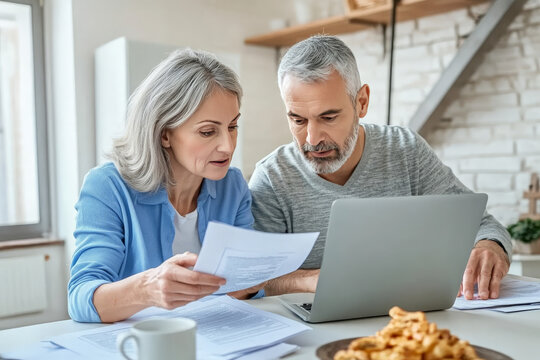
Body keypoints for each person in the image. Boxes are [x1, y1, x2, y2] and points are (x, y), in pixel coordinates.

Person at [249, 35, 511, 301]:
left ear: (361, 102)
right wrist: (312, 279)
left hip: (409, 318)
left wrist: (489, 245)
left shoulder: (406, 150)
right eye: (298, 120)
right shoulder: (272, 178)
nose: (312, 139)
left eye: (328, 117)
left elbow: (481, 224)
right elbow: (252, 279)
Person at [69, 49, 263, 323]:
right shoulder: (107, 186)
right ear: (164, 135)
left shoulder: (233, 186)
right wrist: (148, 289)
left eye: (232, 126)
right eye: (208, 132)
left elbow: (250, 287)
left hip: (217, 338)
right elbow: (81, 298)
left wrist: (250, 285)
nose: (228, 146)